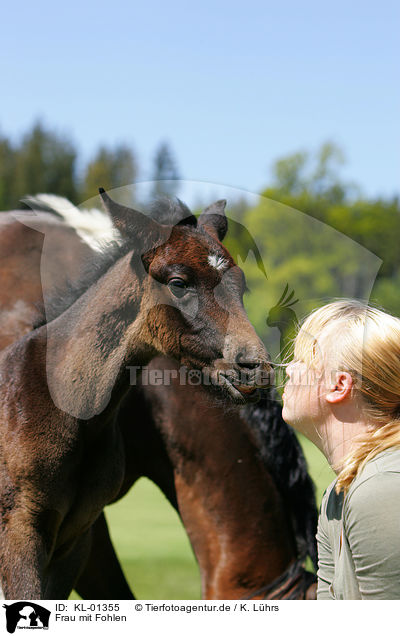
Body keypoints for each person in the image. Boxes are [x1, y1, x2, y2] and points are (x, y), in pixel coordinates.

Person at [282, 299, 400, 600]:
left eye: (303, 360)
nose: (289, 369)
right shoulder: (339, 493)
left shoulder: (382, 490)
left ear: (339, 386)